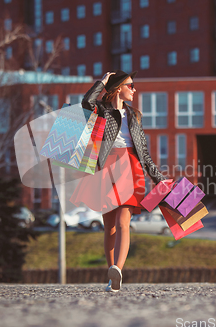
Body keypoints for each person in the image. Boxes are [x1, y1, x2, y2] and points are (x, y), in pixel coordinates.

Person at [70, 70, 167, 293]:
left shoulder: (135, 115)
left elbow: (143, 150)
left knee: (124, 222)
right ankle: (111, 274)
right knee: (110, 228)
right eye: (130, 85)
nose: (134, 89)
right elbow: (87, 102)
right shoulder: (102, 111)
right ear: (117, 88)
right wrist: (102, 81)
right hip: (106, 166)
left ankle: (118, 269)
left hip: (131, 167)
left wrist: (158, 178)